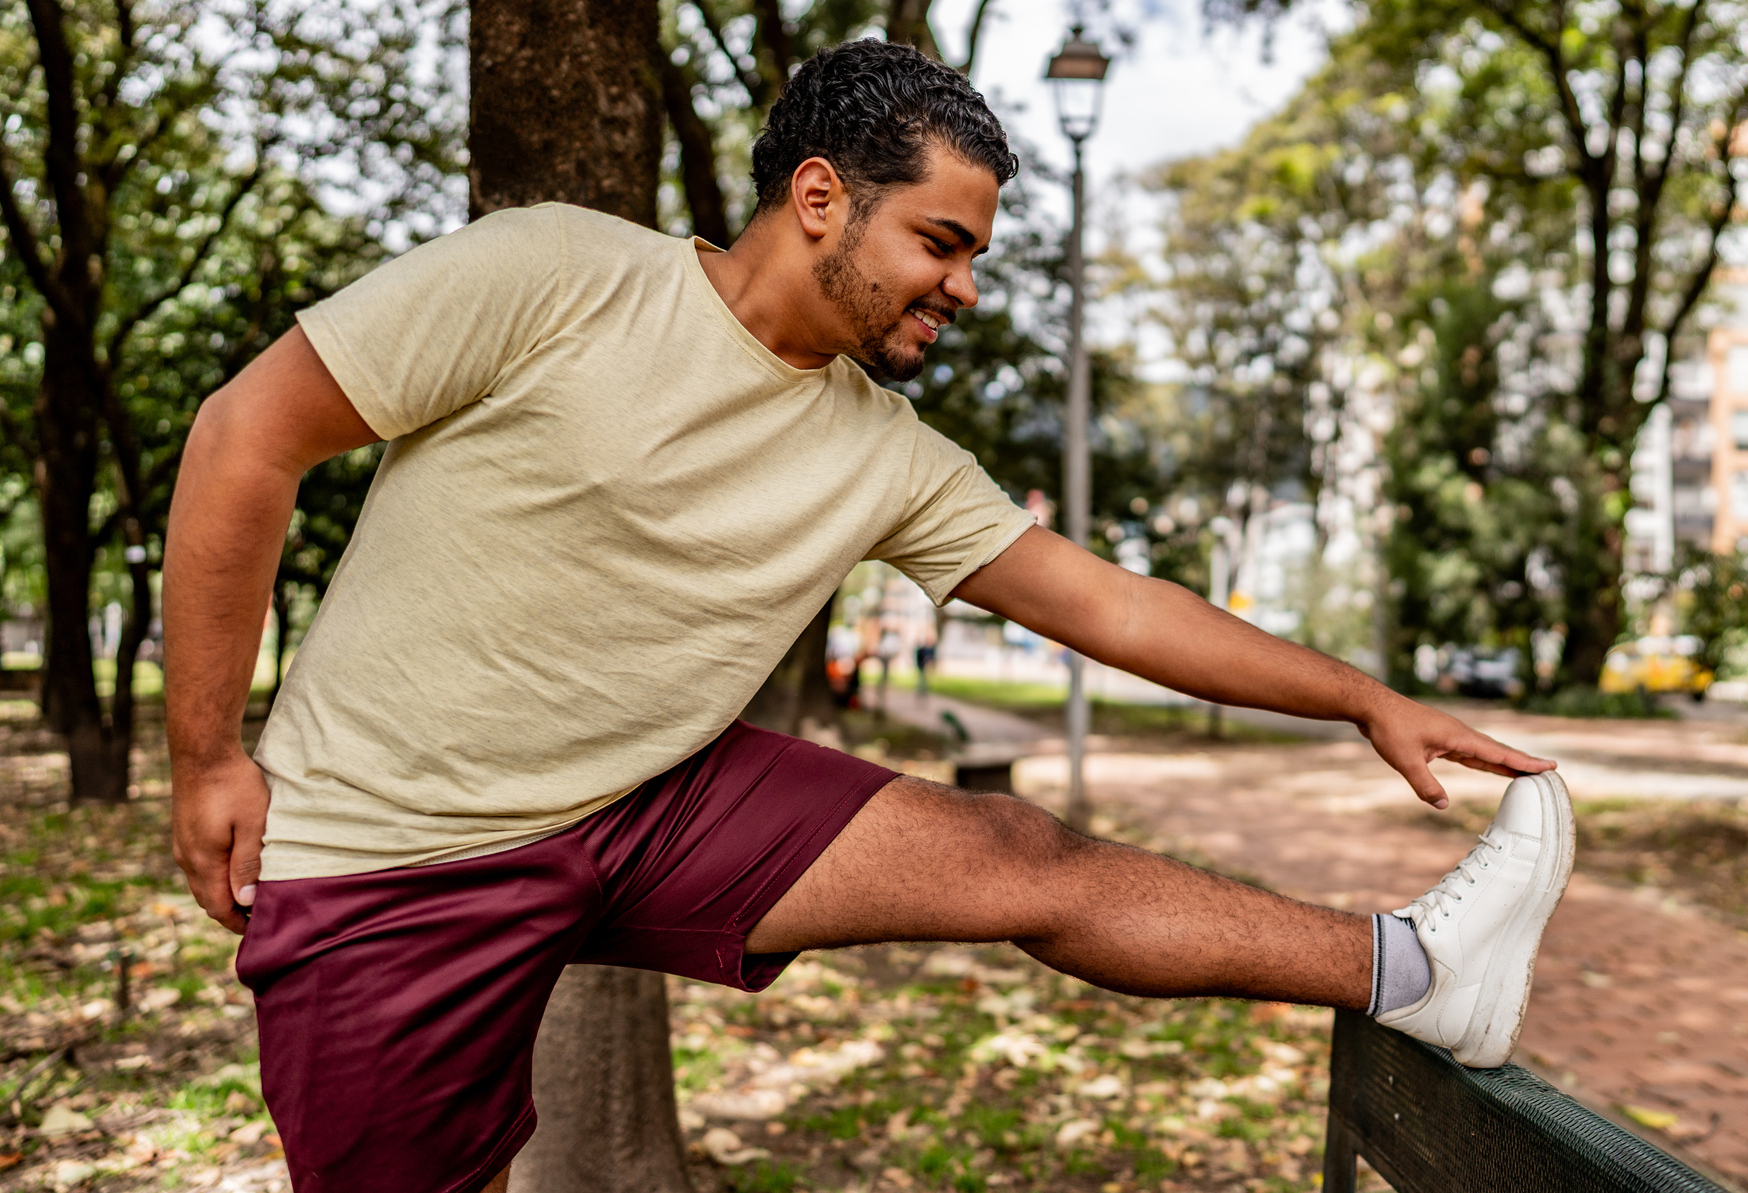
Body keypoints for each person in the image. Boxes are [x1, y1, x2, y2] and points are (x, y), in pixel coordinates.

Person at [162, 39, 1574, 1193]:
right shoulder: (554, 274)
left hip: (645, 802)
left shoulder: (882, 451)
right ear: (822, 199)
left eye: (974, 254)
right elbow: (245, 439)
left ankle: (1415, 968)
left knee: (1017, 850)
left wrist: (1361, 696)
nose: (963, 285)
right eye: (942, 242)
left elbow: (1110, 606)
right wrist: (208, 755)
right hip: (394, 861)